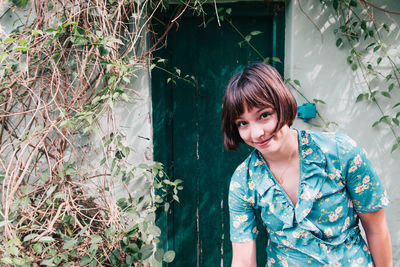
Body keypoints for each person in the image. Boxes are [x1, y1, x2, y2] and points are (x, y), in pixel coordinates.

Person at [221, 63, 392, 267]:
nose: (256, 133)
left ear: (283, 105)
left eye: (264, 115)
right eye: (243, 123)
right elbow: (242, 260)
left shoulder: (340, 152)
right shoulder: (243, 180)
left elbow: (377, 229)